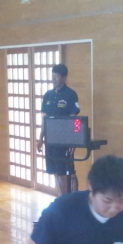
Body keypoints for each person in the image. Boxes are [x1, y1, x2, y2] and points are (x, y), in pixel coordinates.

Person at [39, 64, 80, 195]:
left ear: (64, 77)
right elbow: (44, 119)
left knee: (66, 172)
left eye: (56, 76)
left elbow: (75, 119)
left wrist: (74, 140)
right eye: (52, 76)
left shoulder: (70, 94)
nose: (54, 79)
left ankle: (70, 198)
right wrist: (40, 138)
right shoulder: (48, 95)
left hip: (64, 140)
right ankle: (60, 198)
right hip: (50, 139)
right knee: (55, 171)